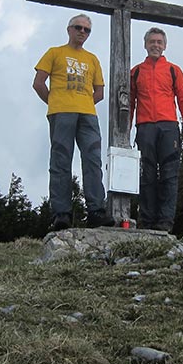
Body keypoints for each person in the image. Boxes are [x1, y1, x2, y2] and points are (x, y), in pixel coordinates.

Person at [33, 13, 113, 230]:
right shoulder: (54, 53)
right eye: (78, 27)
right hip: (61, 113)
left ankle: (96, 210)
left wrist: (84, 102)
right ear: (69, 29)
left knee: (93, 160)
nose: (82, 32)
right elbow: (39, 83)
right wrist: (56, 102)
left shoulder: (92, 59)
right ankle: (61, 214)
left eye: (87, 30)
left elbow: (100, 92)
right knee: (60, 161)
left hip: (88, 114)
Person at [130, 26, 183, 231]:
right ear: (145, 44)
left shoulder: (173, 70)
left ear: (165, 46)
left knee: (169, 175)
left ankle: (165, 222)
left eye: (159, 42)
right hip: (144, 127)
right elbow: (130, 102)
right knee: (147, 175)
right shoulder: (135, 72)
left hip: (169, 127)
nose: (155, 45)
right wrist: (124, 130)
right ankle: (147, 221)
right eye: (152, 41)